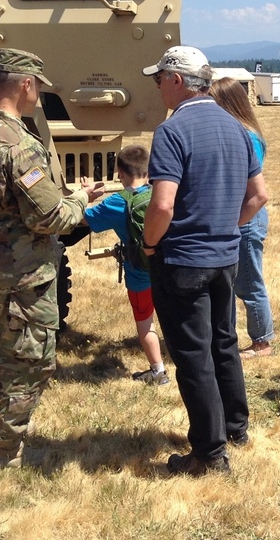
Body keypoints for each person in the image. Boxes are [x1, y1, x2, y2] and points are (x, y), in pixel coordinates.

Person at [0, 48, 105, 469]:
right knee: (30, 363)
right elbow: (48, 217)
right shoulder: (20, 145)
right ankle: (7, 452)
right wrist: (80, 201)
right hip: (25, 276)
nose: (38, 99)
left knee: (1, 352)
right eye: (37, 90)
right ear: (26, 85)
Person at [141, 45, 268, 477]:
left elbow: (161, 206)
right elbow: (258, 196)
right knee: (223, 342)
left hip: (183, 259)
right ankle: (236, 427)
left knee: (193, 356)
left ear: (177, 80)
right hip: (225, 255)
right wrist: (225, 226)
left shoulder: (171, 131)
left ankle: (210, 455)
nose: (158, 87)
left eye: (159, 79)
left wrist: (150, 244)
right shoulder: (237, 127)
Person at [83, 144, 168, 385]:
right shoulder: (162, 192)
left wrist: (86, 195)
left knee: (145, 324)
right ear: (148, 170)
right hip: (169, 269)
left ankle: (158, 371)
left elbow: (85, 218)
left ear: (119, 173)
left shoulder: (116, 203)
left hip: (139, 275)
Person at [209, 77, 275, 359]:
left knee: (249, 283)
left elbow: (252, 188)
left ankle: (262, 342)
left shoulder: (246, 136)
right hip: (239, 216)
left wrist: (234, 222)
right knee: (234, 283)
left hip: (246, 218)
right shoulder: (241, 131)